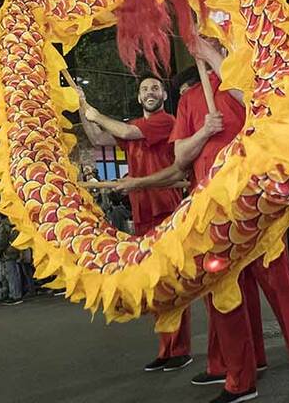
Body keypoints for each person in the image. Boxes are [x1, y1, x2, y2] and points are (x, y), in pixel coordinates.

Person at [118, 43, 289, 403]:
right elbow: (180, 155)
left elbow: (261, 110)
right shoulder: (189, 100)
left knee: (283, 294)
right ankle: (240, 381)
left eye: (212, 41)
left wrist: (217, 61)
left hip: (255, 211)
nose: (205, 46)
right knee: (225, 301)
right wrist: (204, 132)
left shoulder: (243, 81)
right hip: (213, 219)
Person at [77, 74, 193, 373]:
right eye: (144, 89)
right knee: (154, 281)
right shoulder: (136, 125)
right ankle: (167, 348)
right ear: (139, 97)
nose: (149, 92)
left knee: (171, 280)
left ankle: (180, 348)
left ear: (164, 96)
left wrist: (97, 114)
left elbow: (127, 132)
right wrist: (82, 106)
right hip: (142, 213)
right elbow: (97, 138)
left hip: (166, 209)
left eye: (155, 88)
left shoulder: (165, 122)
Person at [0, 214, 25, 304]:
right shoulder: (14, 221)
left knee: (11, 274)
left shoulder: (3, 225)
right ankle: (18, 293)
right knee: (16, 273)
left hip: (7, 251)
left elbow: (2, 241)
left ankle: (15, 295)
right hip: (16, 247)